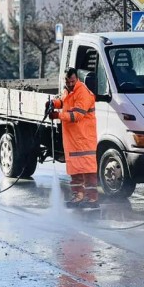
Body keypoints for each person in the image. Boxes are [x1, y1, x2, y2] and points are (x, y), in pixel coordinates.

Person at [47, 68, 99, 208]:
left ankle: (92, 198)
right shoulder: (68, 91)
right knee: (75, 169)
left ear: (77, 79)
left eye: (72, 81)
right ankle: (78, 196)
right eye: (67, 81)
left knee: (88, 170)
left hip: (84, 138)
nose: (70, 84)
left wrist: (58, 115)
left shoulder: (82, 92)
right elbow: (65, 103)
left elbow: (77, 115)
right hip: (73, 139)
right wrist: (54, 103)